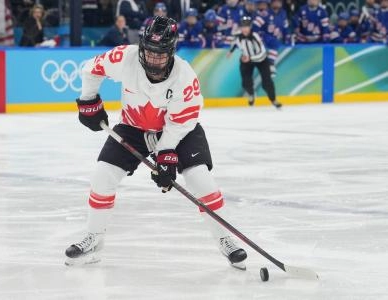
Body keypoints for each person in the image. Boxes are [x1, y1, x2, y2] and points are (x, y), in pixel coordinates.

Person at [65, 16, 248, 270]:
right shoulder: (126, 58)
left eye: (160, 54)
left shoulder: (184, 77)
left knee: (199, 178)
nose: (153, 59)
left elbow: (182, 123)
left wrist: (165, 154)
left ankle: (225, 239)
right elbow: (91, 69)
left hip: (179, 130)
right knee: (102, 175)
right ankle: (94, 238)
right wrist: (88, 101)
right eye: (149, 52)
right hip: (133, 127)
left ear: (171, 51)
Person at [227, 16, 281, 109]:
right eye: (243, 26)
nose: (244, 28)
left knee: (267, 82)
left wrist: (250, 58)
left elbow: (262, 52)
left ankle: (273, 100)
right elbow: (234, 43)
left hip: (261, 60)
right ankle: (251, 94)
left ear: (250, 27)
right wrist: (231, 51)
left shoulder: (255, 36)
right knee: (245, 82)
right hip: (246, 60)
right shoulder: (237, 36)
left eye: (247, 26)